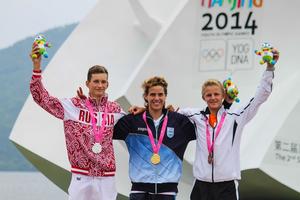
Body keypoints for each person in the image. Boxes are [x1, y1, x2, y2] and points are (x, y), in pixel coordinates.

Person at [177, 49, 280, 200]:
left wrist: (270, 69)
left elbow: (260, 97)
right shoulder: (194, 115)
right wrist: (143, 109)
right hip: (201, 185)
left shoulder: (236, 116)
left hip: (226, 187)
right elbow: (167, 114)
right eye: (209, 95)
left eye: (216, 94)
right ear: (203, 97)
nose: (213, 98)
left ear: (223, 95)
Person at [29, 43, 125, 200]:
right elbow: (42, 98)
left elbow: (137, 122)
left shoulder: (115, 109)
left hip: (107, 178)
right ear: (87, 84)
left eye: (103, 82)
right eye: (96, 81)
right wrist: (37, 67)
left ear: (107, 84)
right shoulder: (73, 106)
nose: (100, 85)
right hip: (81, 176)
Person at [113, 76, 196, 200]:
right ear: (146, 96)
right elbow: (104, 130)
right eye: (152, 94)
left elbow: (207, 129)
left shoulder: (179, 122)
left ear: (165, 96)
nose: (156, 98)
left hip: (167, 193)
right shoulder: (132, 121)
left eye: (160, 94)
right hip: (139, 191)